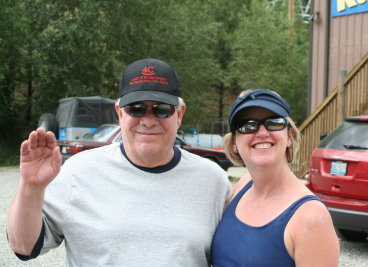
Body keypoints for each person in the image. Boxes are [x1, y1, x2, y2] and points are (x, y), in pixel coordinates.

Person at [7, 58, 232, 266]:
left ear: (180, 114)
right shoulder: (78, 171)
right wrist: (31, 187)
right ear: (120, 113)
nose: (148, 120)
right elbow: (23, 247)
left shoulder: (213, 181)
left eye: (161, 109)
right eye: (136, 108)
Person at [211, 89, 339, 266]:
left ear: (289, 137)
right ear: (234, 143)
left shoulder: (311, 216)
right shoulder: (242, 186)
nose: (262, 132)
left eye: (274, 122)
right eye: (247, 125)